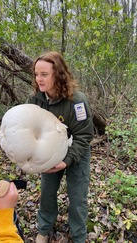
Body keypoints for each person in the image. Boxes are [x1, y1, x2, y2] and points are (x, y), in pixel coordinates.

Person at [26, 51, 94, 243]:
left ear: (59, 74)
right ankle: (44, 229)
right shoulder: (35, 101)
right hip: (49, 155)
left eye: (44, 74)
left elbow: (84, 135)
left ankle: (78, 236)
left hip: (77, 154)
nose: (39, 79)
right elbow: (29, 131)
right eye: (36, 74)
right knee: (47, 193)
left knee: (77, 197)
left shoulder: (77, 102)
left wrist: (66, 161)